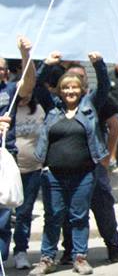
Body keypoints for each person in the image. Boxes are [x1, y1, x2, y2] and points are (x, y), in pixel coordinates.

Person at [29, 52, 108, 276]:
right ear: (60, 91)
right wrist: (45, 64)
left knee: (78, 217)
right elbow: (36, 86)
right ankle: (46, 259)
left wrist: (98, 64)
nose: (70, 92)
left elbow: (104, 87)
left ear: (81, 90)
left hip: (84, 175)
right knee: (53, 216)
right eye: (66, 88)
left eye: (74, 88)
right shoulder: (53, 108)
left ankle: (80, 258)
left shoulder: (90, 106)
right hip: (53, 174)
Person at [59, 62, 118, 266]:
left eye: (81, 77)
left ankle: (113, 246)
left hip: (94, 166)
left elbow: (115, 127)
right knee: (70, 211)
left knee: (103, 207)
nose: (77, 81)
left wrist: (108, 158)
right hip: (69, 167)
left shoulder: (96, 100)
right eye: (72, 76)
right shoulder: (60, 103)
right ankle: (70, 250)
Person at [0, 37, 36, 268]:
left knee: (3, 217)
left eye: (2, 68)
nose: (0, 71)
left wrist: (26, 55)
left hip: (5, 157)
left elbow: (28, 85)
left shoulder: (9, 89)